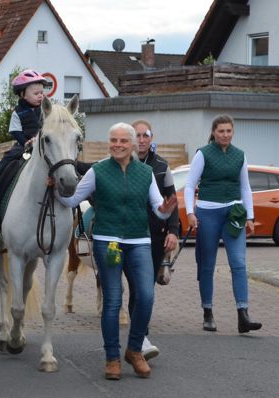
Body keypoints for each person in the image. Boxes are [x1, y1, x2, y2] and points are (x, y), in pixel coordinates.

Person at [54, 122, 176, 380]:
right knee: (112, 301)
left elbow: (156, 207)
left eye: (123, 141)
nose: (118, 145)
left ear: (132, 145)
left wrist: (165, 210)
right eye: (113, 141)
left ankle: (134, 350)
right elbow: (73, 200)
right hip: (107, 241)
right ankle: (112, 357)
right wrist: (55, 188)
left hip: (139, 242)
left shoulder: (145, 173)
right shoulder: (98, 171)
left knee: (146, 296)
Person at [184, 114, 262, 334]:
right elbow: (190, 186)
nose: (225, 135)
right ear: (214, 132)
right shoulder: (203, 153)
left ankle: (243, 314)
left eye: (228, 131)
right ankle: (207, 312)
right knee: (207, 264)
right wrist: (191, 212)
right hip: (208, 212)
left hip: (234, 212)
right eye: (221, 131)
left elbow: (246, 188)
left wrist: (250, 217)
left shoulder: (240, 155)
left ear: (233, 132)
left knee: (238, 263)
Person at [124, 119, 180, 361]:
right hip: (131, 235)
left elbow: (172, 200)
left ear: (151, 137)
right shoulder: (122, 163)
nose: (142, 139)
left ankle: (139, 337)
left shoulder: (161, 166)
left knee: (147, 289)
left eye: (146, 135)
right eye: (137, 135)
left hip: (156, 237)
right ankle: (142, 338)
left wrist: (173, 231)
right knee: (137, 287)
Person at [0, 69, 49, 197]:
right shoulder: (18, 112)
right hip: (24, 144)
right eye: (36, 93)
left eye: (42, 93)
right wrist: (26, 142)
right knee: (8, 158)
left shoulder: (45, 110)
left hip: (43, 144)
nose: (40, 96)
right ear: (23, 94)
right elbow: (15, 131)